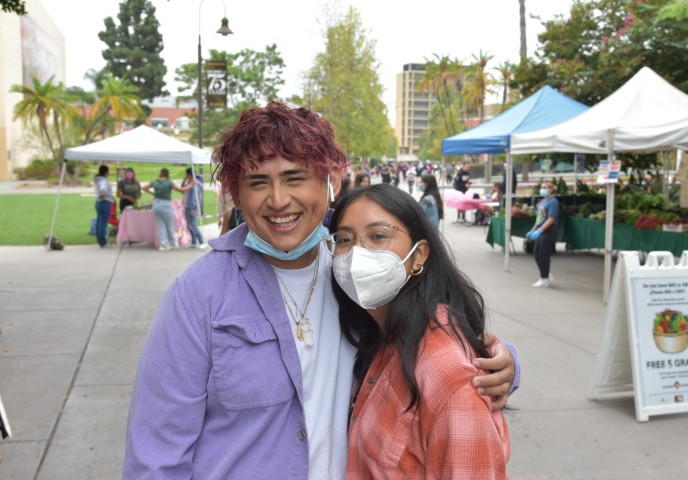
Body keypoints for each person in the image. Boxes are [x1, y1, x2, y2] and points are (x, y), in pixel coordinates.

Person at [123, 101, 520, 479]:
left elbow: (432, 335)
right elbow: (158, 450)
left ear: (330, 180)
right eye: (258, 182)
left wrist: (502, 363)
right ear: (236, 194)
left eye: (295, 178)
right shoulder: (198, 295)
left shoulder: (358, 262)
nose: (279, 201)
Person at [326, 184, 510, 478]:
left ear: (419, 255)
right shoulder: (376, 337)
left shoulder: (449, 372)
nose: (357, 253)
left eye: (378, 236)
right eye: (345, 239)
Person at [142, 168, 194, 251]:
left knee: (160, 225)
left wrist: (153, 193)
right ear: (167, 175)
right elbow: (181, 190)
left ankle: (163, 245)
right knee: (169, 225)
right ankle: (172, 243)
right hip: (166, 204)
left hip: (156, 203)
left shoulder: (155, 182)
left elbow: (144, 188)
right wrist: (191, 185)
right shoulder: (168, 183)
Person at [525, 181, 559, 287]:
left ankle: (544, 278)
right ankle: (546, 274)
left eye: (545, 187)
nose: (542, 189)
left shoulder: (553, 202)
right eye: (542, 187)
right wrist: (533, 230)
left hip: (548, 230)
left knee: (544, 254)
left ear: (551, 189)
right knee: (536, 253)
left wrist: (540, 231)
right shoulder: (542, 202)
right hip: (541, 229)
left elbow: (551, 219)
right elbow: (539, 218)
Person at [181, 168, 207, 249]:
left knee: (193, 225)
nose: (185, 176)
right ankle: (194, 241)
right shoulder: (190, 183)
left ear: (189, 175)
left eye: (186, 175)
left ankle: (201, 241)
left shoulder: (196, 184)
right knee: (190, 225)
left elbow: (195, 197)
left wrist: (192, 207)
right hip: (188, 206)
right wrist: (183, 181)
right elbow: (183, 190)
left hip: (192, 207)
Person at [93, 165, 114, 248]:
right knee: (103, 223)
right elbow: (103, 189)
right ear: (106, 172)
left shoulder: (98, 180)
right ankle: (103, 243)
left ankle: (100, 241)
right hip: (104, 202)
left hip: (98, 202)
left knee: (99, 222)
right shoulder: (103, 181)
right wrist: (106, 195)